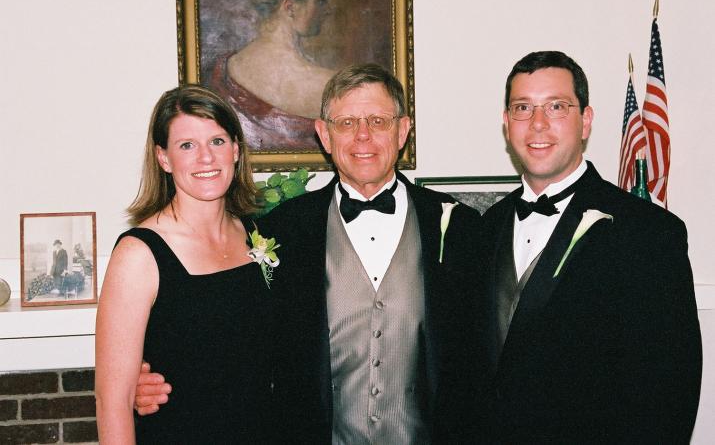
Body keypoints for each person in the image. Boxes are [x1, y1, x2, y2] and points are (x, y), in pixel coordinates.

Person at [135, 64, 485, 443]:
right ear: (324, 135)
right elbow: (234, 334)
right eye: (346, 123)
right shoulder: (281, 231)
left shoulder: (460, 228)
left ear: (402, 131)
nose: (362, 136)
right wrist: (148, 379)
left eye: (378, 121)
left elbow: (487, 348)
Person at [479, 50, 702, 443]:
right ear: (505, 123)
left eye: (557, 107)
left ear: (586, 121)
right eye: (522, 108)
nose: (538, 124)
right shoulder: (483, 228)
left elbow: (669, 390)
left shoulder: (649, 233)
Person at [95, 85, 274, 443]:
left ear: (236, 150)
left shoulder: (258, 234)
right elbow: (111, 401)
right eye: (187, 145)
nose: (206, 158)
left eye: (217, 142)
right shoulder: (139, 254)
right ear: (163, 158)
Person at [211, 0, 338, 151]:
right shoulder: (327, 84)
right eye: (321, 0)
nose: (328, 9)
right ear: (289, 7)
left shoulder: (226, 66)